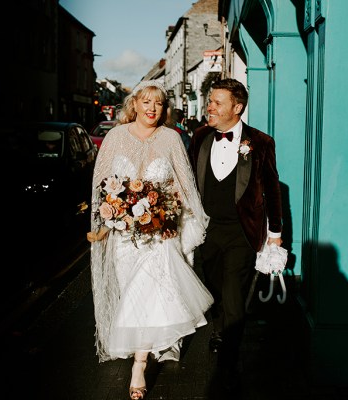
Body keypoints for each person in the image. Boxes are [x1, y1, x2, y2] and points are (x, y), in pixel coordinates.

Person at [86, 80, 213, 400]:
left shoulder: (171, 138)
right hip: (124, 237)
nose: (151, 108)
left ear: (164, 108)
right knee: (132, 294)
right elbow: (102, 184)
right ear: (134, 105)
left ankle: (139, 365)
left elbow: (183, 185)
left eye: (158, 103)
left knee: (148, 293)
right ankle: (145, 344)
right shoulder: (115, 136)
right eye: (146, 102)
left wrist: (180, 220)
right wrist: (105, 219)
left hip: (159, 233)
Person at [188, 78, 284, 391]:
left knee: (233, 293)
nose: (209, 107)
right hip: (206, 230)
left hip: (242, 232)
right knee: (213, 287)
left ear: (237, 107)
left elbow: (272, 189)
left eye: (216, 102)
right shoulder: (200, 137)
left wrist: (275, 233)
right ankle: (219, 328)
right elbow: (188, 181)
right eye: (209, 101)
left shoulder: (261, 142)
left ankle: (228, 363)